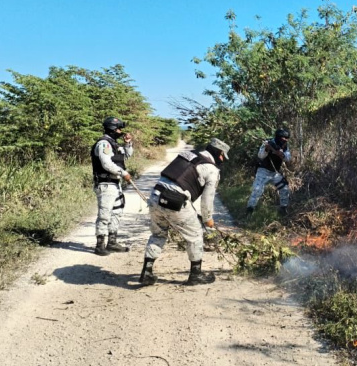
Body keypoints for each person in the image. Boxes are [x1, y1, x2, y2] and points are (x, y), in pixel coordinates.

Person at [139, 138, 230, 286]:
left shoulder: (187, 154)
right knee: (195, 236)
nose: (222, 160)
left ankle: (146, 272)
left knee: (158, 234)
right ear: (218, 152)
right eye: (222, 156)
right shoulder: (212, 170)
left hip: (156, 196)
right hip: (176, 201)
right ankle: (195, 275)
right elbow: (207, 200)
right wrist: (208, 220)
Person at [91, 116, 133, 256]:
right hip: (105, 184)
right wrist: (123, 173)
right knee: (105, 214)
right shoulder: (104, 144)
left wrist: (128, 144)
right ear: (112, 128)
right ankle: (100, 245)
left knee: (117, 212)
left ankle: (112, 242)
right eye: (119, 128)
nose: (121, 131)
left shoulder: (114, 144)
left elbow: (125, 157)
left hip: (115, 184)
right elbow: (106, 164)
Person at [246, 129, 291, 217]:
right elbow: (260, 155)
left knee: (284, 188)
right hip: (263, 170)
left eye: (287, 138)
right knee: (257, 190)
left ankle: (283, 209)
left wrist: (280, 154)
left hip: (275, 172)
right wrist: (267, 149)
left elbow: (288, 158)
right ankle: (249, 211)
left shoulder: (285, 146)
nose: (285, 140)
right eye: (284, 137)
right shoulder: (268, 142)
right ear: (278, 136)